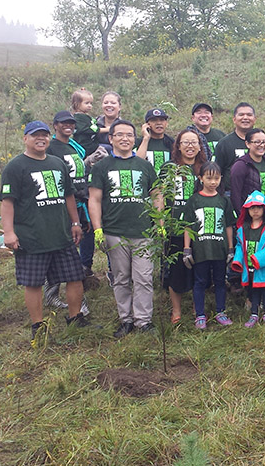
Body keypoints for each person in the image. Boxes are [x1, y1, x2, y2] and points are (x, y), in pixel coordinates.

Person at [0, 121, 90, 342]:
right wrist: (8, 232)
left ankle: (75, 317)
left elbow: (69, 195)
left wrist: (75, 223)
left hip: (61, 233)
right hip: (32, 236)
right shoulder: (16, 166)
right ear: (25, 138)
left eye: (44, 135)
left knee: (75, 276)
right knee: (33, 283)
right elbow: (7, 202)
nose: (41, 139)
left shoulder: (57, 163)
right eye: (35, 136)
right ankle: (38, 327)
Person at [88, 119, 160, 337]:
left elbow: (156, 195)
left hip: (143, 232)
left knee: (144, 277)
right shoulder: (102, 167)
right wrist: (98, 229)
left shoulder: (144, 166)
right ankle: (125, 319)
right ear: (111, 139)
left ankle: (143, 321)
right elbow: (94, 199)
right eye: (119, 135)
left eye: (129, 135)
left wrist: (160, 222)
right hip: (114, 232)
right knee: (121, 277)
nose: (125, 138)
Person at [44, 111, 95, 314]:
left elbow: (80, 172)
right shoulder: (51, 147)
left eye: (71, 124)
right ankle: (53, 292)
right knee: (63, 249)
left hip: (80, 201)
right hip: (62, 203)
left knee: (73, 245)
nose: (68, 126)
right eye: (64, 123)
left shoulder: (74, 147)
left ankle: (64, 293)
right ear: (55, 125)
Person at [157, 129, 207, 324]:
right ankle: (176, 311)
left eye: (194, 142)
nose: (190, 146)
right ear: (178, 145)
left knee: (199, 270)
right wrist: (161, 223)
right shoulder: (169, 168)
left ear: (199, 146)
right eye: (185, 142)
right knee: (176, 270)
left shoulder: (204, 168)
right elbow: (159, 195)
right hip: (175, 227)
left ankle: (198, 307)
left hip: (199, 229)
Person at [183, 162, 236, 329]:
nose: (213, 182)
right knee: (200, 281)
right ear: (201, 178)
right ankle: (200, 315)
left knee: (220, 281)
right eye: (209, 178)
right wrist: (187, 249)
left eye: (216, 178)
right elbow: (188, 226)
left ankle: (220, 312)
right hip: (201, 250)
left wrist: (230, 248)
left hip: (219, 250)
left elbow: (228, 225)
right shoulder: (194, 200)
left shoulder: (224, 201)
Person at [231, 190, 265, 326]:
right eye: (252, 208)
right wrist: (237, 260)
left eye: (259, 207)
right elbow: (239, 245)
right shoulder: (243, 229)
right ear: (247, 210)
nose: (255, 211)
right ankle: (254, 314)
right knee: (252, 290)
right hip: (249, 268)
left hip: (263, 267)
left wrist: (259, 259)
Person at [229, 128, 265, 215]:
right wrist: (241, 218)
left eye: (264, 142)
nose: (261, 145)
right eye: (257, 142)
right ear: (247, 144)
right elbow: (235, 195)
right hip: (250, 215)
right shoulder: (241, 165)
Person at [214, 102, 260, 190]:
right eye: (241, 115)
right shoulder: (224, 144)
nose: (245, 117)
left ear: (254, 119)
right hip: (231, 193)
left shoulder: (262, 143)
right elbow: (217, 171)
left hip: (258, 196)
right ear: (234, 119)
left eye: (249, 115)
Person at [136, 108, 174, 174]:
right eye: (154, 120)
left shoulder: (171, 142)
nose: (159, 123)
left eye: (162, 120)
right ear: (147, 124)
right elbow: (138, 163)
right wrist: (146, 138)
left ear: (166, 123)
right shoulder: (140, 142)